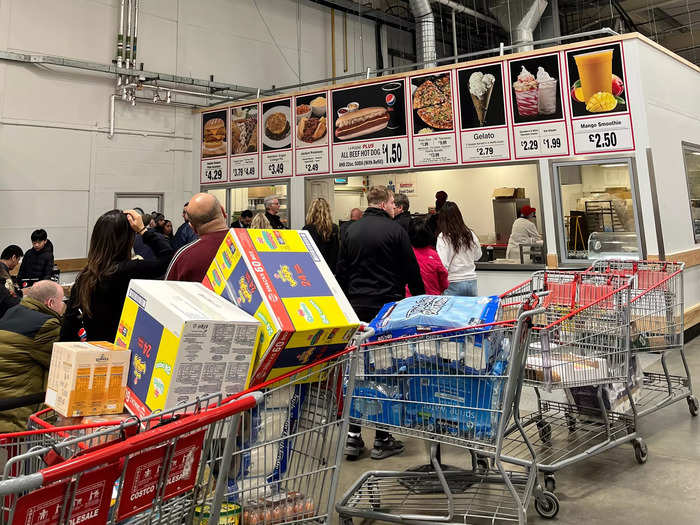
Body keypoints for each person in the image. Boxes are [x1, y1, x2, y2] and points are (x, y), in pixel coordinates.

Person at [337, 185, 424, 460]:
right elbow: (411, 271)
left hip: (357, 310)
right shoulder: (396, 231)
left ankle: (352, 437)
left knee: (357, 372)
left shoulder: (349, 231)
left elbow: (341, 271)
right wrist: (421, 303)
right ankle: (382, 438)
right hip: (387, 311)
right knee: (385, 372)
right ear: (386, 203)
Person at [60, 210, 173, 342]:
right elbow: (168, 259)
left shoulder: (85, 276)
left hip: (92, 352)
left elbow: (68, 328)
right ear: (126, 240)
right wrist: (143, 230)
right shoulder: (128, 270)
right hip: (118, 353)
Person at [0, 281, 65, 431]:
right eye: (62, 301)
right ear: (50, 303)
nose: (63, 307)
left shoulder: (11, 313)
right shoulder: (46, 325)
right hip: (19, 413)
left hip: (5, 403)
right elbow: (61, 363)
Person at [166, 193, 230, 283]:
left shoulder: (184, 256)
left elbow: (168, 292)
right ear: (223, 212)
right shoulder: (250, 244)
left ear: (192, 227)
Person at [436, 202, 482, 297]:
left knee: (451, 311)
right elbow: (478, 256)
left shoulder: (443, 237)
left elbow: (443, 264)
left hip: (453, 282)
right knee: (471, 312)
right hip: (471, 282)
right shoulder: (470, 234)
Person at [407, 219, 448, 296]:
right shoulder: (433, 254)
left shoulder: (406, 254)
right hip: (432, 297)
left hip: (410, 298)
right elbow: (443, 275)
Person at [303, 198, 339, 271]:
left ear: (311, 211)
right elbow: (335, 252)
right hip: (329, 269)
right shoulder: (333, 228)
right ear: (327, 211)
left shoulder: (307, 229)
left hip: (311, 269)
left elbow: (304, 254)